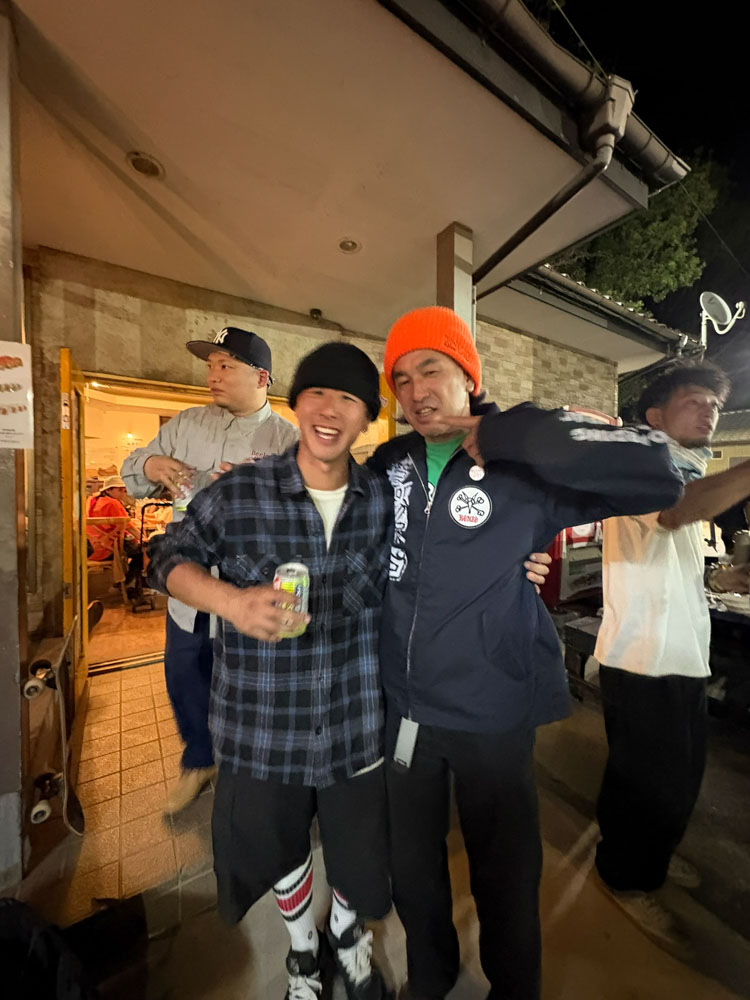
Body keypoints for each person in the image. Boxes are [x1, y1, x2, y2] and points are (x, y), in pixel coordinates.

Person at [366, 306, 683, 1000]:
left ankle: (515, 989)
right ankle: (431, 975)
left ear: (468, 376)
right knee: (412, 867)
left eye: (431, 369)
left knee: (504, 874)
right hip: (405, 708)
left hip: (492, 710)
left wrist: (511, 432)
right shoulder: (390, 463)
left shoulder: (521, 460)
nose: (415, 390)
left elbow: (658, 471)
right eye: (401, 378)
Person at [148, 342, 393, 1000]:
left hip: (355, 719)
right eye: (318, 394)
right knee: (278, 847)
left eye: (349, 398)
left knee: (358, 851)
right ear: (295, 403)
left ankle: (346, 936)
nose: (330, 410)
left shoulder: (382, 501)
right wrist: (230, 602)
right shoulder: (241, 492)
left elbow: (430, 566)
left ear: (366, 416)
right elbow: (167, 557)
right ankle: (303, 953)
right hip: (261, 721)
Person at [593, 360, 750, 955]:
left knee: (681, 776)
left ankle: (652, 853)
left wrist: (721, 576)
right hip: (640, 655)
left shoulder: (683, 469)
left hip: (682, 652)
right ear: (655, 415)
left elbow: (671, 548)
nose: (710, 411)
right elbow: (676, 510)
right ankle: (624, 876)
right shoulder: (636, 466)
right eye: (695, 400)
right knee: (644, 782)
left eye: (715, 404)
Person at [122, 327, 298, 813]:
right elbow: (132, 470)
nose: (213, 375)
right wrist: (152, 465)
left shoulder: (287, 438)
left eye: (226, 366)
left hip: (249, 582)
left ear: (261, 377)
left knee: (248, 679)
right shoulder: (186, 424)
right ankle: (200, 759)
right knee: (184, 668)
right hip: (190, 578)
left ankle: (249, 768)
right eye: (210, 366)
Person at [86, 475, 142, 586]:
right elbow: (129, 526)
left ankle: (126, 583)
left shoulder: (92, 500)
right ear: (108, 490)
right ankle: (128, 584)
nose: (123, 494)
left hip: (92, 548)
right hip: (109, 549)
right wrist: (144, 538)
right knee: (144, 551)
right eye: (120, 490)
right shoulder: (112, 503)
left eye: (124, 491)